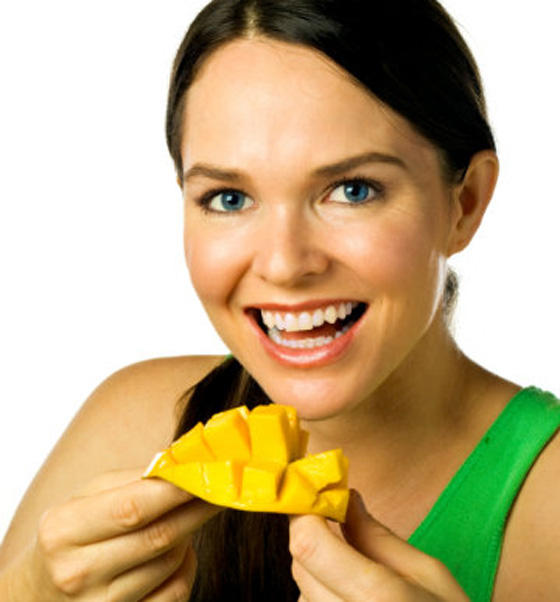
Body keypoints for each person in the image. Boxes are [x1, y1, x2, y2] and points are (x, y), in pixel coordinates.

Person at [1, 0, 559, 600]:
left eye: (353, 190)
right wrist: (30, 590)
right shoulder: (130, 426)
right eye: (229, 198)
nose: (284, 264)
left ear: (465, 204)